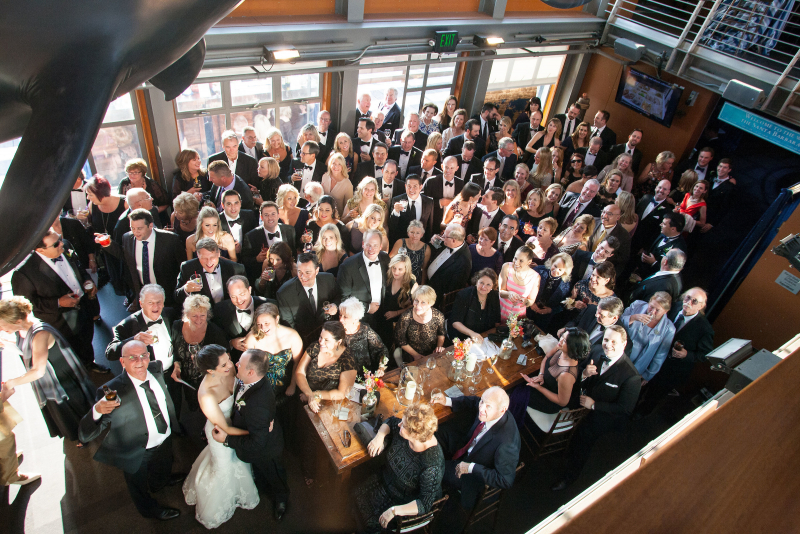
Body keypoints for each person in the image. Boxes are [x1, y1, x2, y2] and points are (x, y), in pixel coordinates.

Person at [78, 341, 184, 520]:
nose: (140, 361)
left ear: (149, 356)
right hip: (137, 450)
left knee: (164, 465)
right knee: (137, 485)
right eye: (132, 358)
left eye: (143, 355)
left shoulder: (156, 368)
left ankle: (161, 482)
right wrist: (97, 411)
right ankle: (148, 510)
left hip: (164, 437)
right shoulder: (111, 391)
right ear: (122, 362)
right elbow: (85, 434)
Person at [551, 326, 640, 491]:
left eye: (614, 342)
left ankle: (569, 477)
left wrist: (594, 405)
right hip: (580, 404)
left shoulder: (631, 376)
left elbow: (625, 409)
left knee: (582, 445)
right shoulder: (598, 353)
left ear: (624, 343)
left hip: (600, 417)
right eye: (606, 340)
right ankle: (562, 449)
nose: (608, 345)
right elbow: (581, 378)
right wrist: (584, 374)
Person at [182, 345, 260, 529]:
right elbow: (224, 428)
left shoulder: (230, 367)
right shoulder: (206, 394)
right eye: (223, 364)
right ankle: (214, 507)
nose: (231, 365)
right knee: (223, 467)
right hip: (221, 434)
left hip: (237, 423)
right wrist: (255, 432)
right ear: (210, 370)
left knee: (239, 460)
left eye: (229, 360)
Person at [0, 296, 95, 444]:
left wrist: (11, 383)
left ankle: (87, 435)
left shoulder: (40, 334)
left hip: (62, 380)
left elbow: (38, 371)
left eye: (2, 325)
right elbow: (24, 347)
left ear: (17, 321)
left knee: (74, 410)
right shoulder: (22, 329)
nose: (1, 329)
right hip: (51, 380)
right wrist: (4, 343)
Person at [210, 349, 290, 521]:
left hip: (266, 449)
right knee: (261, 473)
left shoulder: (258, 406)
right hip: (256, 428)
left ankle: (282, 498)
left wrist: (226, 439)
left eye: (240, 363)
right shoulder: (249, 379)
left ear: (251, 372)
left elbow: (256, 444)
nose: (236, 365)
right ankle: (262, 485)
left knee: (274, 474)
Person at [12, 227, 105, 372]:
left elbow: (79, 268)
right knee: (70, 348)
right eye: (56, 244)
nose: (61, 244)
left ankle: (89, 363)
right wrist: (58, 302)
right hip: (60, 320)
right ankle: (78, 375)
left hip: (83, 307)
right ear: (40, 250)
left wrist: (88, 281)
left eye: (60, 239)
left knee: (87, 338)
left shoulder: (66, 245)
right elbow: (26, 307)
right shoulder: (24, 274)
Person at [356, 403, 444, 532]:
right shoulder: (405, 428)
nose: (399, 425)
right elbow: (391, 421)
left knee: (372, 525)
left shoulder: (431, 467)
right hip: (386, 480)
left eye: (403, 426)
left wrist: (394, 511)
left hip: (403, 503)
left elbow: (424, 504)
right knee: (355, 493)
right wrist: (380, 436)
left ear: (416, 435)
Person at [432, 387, 520, 511]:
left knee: (435, 467)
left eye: (488, 406)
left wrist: (471, 467)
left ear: (502, 410)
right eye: (482, 401)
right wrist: (446, 400)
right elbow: (474, 401)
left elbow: (505, 480)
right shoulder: (490, 407)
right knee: (437, 434)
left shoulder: (507, 443)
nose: (481, 408)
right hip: (467, 446)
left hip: (472, 475)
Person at [636, 288, 714, 417]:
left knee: (654, 395)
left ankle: (640, 415)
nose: (689, 302)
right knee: (639, 386)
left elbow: (705, 355)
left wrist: (687, 355)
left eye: (695, 301)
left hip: (672, 369)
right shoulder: (674, 307)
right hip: (654, 357)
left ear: (701, 306)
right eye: (688, 297)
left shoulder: (704, 328)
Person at [106, 284, 180, 411]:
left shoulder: (170, 314)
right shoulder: (127, 325)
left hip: (172, 375)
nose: (156, 307)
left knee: (175, 407)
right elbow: (110, 353)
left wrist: (177, 362)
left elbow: (178, 340)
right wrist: (134, 340)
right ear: (141, 303)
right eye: (150, 302)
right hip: (147, 379)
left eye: (159, 302)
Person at [102, 208, 184, 308]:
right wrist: (108, 244)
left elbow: (182, 265)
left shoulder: (171, 239)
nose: (135, 232)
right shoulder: (127, 238)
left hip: (167, 293)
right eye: (132, 228)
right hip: (142, 292)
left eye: (139, 228)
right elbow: (125, 256)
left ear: (150, 225)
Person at [170, 294, 229, 408]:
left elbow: (226, 358)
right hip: (186, 380)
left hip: (208, 381)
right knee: (192, 407)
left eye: (202, 315)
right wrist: (177, 366)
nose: (199, 320)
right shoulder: (177, 326)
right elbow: (175, 351)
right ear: (187, 314)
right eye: (194, 315)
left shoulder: (214, 331)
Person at [243, 303, 303, 409]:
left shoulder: (292, 336)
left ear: (277, 319)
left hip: (287, 386)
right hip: (262, 387)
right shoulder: (252, 338)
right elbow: (248, 367)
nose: (263, 328)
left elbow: (297, 363)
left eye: (267, 323)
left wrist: (292, 385)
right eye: (259, 324)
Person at [521, 328, 590, 417]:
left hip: (549, 400)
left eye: (564, 340)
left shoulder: (566, 374)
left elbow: (562, 402)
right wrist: (541, 374)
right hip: (544, 382)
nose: (560, 340)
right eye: (562, 337)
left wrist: (538, 387)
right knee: (520, 384)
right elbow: (546, 358)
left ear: (572, 347)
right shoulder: (560, 347)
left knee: (518, 393)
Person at [277, 252, 341, 346]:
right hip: (304, 341)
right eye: (300, 272)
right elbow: (289, 327)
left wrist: (335, 306)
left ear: (317, 270)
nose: (303, 277)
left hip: (330, 337)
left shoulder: (328, 279)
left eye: (307, 272)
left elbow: (338, 297)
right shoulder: (284, 293)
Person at [295, 321, 357, 411]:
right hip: (303, 395)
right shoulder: (315, 347)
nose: (321, 342)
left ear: (338, 342)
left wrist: (315, 395)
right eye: (321, 337)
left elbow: (342, 393)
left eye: (326, 340)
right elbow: (300, 372)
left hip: (327, 403)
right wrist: (309, 394)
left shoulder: (347, 360)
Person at [84, 175, 127, 294]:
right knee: (116, 282)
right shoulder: (92, 205)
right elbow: (91, 227)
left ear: (101, 193)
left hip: (124, 250)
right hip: (106, 252)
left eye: (90, 194)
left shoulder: (125, 203)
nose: (88, 198)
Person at [338, 229, 390, 327]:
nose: (371, 249)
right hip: (360, 318)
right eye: (368, 245)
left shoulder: (385, 258)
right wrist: (367, 307)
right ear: (362, 244)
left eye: (375, 245)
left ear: (380, 247)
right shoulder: (348, 266)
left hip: (383, 315)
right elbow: (343, 299)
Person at [621, 292, 676, 383]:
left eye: (657, 310)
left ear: (666, 311)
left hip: (636, 363)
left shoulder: (669, 329)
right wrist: (632, 318)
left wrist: (648, 375)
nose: (652, 311)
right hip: (619, 350)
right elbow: (617, 321)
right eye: (651, 306)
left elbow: (660, 355)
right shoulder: (637, 305)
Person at [175, 237, 246, 307]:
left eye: (212, 257)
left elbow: (246, 296)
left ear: (218, 253)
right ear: (198, 255)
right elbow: (176, 297)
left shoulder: (236, 269)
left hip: (229, 314)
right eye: (204, 258)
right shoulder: (187, 267)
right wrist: (186, 289)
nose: (209, 262)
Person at [212, 276, 267, 363]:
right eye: (233, 296)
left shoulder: (267, 304)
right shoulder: (220, 309)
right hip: (235, 363)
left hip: (264, 360)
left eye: (242, 294)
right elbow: (217, 337)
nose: (239, 300)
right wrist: (231, 343)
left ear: (249, 290)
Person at [242, 201, 296, 281]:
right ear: (261, 217)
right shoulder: (251, 236)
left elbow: (294, 253)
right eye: (266, 215)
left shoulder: (290, 230)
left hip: (288, 277)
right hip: (265, 279)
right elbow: (244, 261)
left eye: (273, 214)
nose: (270, 218)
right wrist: (257, 259)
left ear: (278, 215)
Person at [447, 268, 502, 343]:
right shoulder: (464, 295)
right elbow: (455, 322)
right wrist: (472, 334)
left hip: (484, 337)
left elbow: (496, 320)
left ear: (493, 286)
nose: (484, 287)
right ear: (476, 282)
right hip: (463, 337)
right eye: (481, 283)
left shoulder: (494, 296)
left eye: (488, 284)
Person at [395, 285, 445, 364]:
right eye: (416, 300)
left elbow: (441, 334)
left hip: (432, 353)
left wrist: (438, 347)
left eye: (423, 302)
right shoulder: (406, 317)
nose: (418, 305)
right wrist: (416, 355)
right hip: (411, 353)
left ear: (431, 303)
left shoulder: (439, 316)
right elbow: (401, 341)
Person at [376, 254, 418, 348]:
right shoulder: (387, 277)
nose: (396, 272)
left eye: (400, 269)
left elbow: (415, 305)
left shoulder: (412, 284)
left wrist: (396, 313)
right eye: (394, 268)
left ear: (406, 269)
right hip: (382, 315)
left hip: (399, 320)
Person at [339, 297, 388, 373]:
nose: (340, 320)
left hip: (364, 376)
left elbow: (381, 350)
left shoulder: (365, 330)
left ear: (356, 318)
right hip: (343, 376)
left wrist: (381, 367)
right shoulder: (336, 331)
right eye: (340, 315)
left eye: (345, 317)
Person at [633, 212, 687, 281]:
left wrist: (654, 263)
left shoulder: (679, 249)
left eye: (664, 224)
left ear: (673, 229)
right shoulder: (663, 233)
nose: (660, 224)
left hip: (652, 278)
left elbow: (671, 272)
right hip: (641, 271)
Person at [427, 224, 472, 305]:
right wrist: (433, 240)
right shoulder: (448, 242)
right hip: (427, 283)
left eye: (444, 236)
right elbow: (434, 248)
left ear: (454, 240)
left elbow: (452, 290)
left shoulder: (464, 262)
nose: (442, 236)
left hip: (434, 297)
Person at [529, 253, 573, 330]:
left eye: (560, 269)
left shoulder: (566, 285)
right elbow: (524, 286)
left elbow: (563, 304)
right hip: (527, 308)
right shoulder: (539, 270)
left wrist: (550, 310)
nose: (555, 271)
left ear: (565, 271)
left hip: (544, 318)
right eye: (555, 266)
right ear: (552, 262)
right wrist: (530, 303)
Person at [388, 174, 436, 244]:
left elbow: (430, 227)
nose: (411, 190)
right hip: (402, 243)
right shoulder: (397, 200)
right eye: (409, 186)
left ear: (420, 187)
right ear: (405, 186)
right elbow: (392, 227)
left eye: (415, 186)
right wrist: (396, 211)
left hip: (421, 243)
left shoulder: (429, 202)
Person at [498, 245, 540, 321]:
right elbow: (501, 292)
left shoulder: (535, 277)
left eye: (521, 261)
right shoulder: (506, 267)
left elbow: (531, 301)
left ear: (529, 262)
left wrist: (526, 301)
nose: (516, 263)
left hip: (518, 317)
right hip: (500, 310)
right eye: (515, 258)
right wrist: (509, 294)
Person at [587, 203, 631, 275]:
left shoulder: (624, 236)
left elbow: (623, 259)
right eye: (603, 212)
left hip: (600, 271)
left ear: (618, 218)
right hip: (582, 262)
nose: (604, 216)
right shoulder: (592, 221)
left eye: (609, 214)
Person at [633, 179, 673, 254]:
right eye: (660, 187)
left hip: (642, 244)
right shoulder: (645, 197)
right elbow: (634, 214)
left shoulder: (667, 211)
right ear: (656, 188)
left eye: (664, 189)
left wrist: (646, 248)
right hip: (631, 235)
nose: (661, 190)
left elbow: (658, 232)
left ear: (668, 192)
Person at [321, 152, 354, 217]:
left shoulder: (348, 184)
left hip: (337, 219)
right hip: (322, 215)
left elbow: (348, 208)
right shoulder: (325, 176)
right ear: (330, 164)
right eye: (334, 163)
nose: (336, 167)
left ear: (343, 167)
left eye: (339, 164)